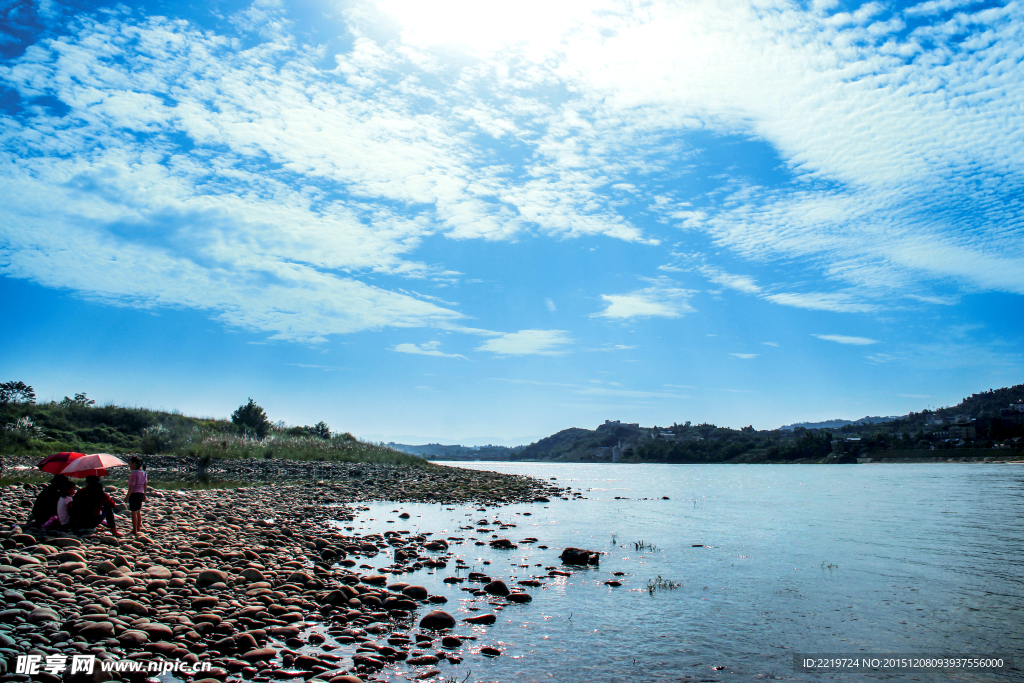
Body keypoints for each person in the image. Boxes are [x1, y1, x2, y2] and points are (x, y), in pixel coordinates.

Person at [127, 456, 148, 535]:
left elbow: (131, 486)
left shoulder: (134, 473)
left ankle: (134, 529)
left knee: (133, 512)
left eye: (130, 464)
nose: (130, 466)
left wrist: (127, 496)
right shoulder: (143, 472)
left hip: (134, 494)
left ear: (134, 464)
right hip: (141, 493)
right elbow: (145, 485)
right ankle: (139, 526)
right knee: (138, 511)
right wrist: (145, 495)